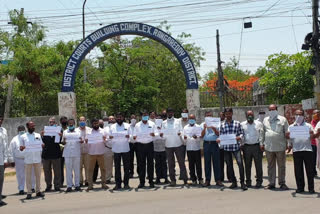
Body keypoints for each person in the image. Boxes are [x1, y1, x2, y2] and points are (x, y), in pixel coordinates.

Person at [262, 104, 289, 190]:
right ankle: (271, 183)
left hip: (280, 146)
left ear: (276, 110)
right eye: (270, 110)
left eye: (273, 109)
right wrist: (261, 143)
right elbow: (262, 132)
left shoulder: (283, 119)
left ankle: (282, 183)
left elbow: (287, 132)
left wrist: (289, 144)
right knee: (270, 166)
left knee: (281, 166)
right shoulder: (265, 120)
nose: (271, 111)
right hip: (269, 147)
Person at [219, 108, 247, 190]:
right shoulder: (222, 125)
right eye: (226, 114)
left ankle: (242, 182)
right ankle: (234, 182)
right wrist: (219, 140)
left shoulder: (237, 123)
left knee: (240, 164)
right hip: (226, 148)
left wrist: (239, 137)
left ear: (232, 113)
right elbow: (220, 136)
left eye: (229, 113)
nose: (228, 115)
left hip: (236, 147)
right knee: (229, 166)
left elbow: (242, 133)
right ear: (225, 115)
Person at [288, 109, 315, 193]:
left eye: (300, 115)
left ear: (303, 116)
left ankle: (311, 188)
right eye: (297, 115)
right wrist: (289, 145)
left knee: (309, 170)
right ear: (294, 116)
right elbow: (289, 138)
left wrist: (311, 133)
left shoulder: (308, 125)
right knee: (298, 170)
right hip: (296, 150)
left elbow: (313, 137)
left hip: (307, 150)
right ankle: (300, 187)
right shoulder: (291, 127)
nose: (298, 116)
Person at [162, 108, 188, 186]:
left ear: (173, 113)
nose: (170, 113)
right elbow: (162, 133)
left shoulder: (178, 121)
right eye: (169, 112)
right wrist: (162, 135)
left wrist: (181, 134)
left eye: (171, 112)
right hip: (168, 145)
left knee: (181, 163)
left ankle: (185, 179)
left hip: (178, 144)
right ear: (166, 113)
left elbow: (181, 130)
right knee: (170, 164)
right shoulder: (163, 123)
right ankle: (173, 180)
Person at [20, 121, 45, 199]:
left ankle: (38, 191)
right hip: (28, 159)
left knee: (38, 176)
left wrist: (42, 145)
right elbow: (21, 148)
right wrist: (23, 147)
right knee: (28, 176)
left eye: (34, 126)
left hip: (37, 158)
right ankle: (29, 192)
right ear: (27, 127)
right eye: (31, 126)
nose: (33, 127)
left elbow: (41, 144)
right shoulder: (23, 136)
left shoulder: (38, 135)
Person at [9, 125, 35, 195]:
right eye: (20, 130)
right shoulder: (14, 139)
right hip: (18, 159)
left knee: (31, 174)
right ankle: (21, 189)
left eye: (23, 129)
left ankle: (32, 187)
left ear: (25, 130)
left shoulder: (29, 137)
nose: (21, 131)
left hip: (29, 158)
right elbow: (11, 150)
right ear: (18, 131)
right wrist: (12, 160)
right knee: (20, 175)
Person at [133, 110, 156, 188]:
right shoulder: (137, 125)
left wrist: (154, 134)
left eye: (146, 115)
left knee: (150, 164)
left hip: (149, 145)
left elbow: (156, 133)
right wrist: (134, 137)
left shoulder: (152, 124)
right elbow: (134, 135)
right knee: (141, 164)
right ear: (141, 116)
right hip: (140, 146)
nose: (145, 116)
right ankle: (141, 182)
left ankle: (151, 181)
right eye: (143, 115)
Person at [241, 110, 264, 188]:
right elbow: (241, 136)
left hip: (257, 147)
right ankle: (248, 181)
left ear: (254, 115)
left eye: (251, 114)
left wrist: (261, 144)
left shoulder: (259, 124)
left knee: (258, 165)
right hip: (246, 147)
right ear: (246, 116)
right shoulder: (242, 124)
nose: (250, 116)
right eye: (248, 115)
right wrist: (241, 145)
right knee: (247, 165)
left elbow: (261, 135)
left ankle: (259, 181)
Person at [108, 112, 131, 190]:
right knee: (117, 168)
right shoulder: (112, 127)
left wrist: (129, 137)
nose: (119, 118)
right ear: (115, 118)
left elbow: (132, 137)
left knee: (126, 168)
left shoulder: (128, 126)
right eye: (117, 117)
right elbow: (108, 138)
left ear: (123, 117)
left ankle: (126, 184)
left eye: (120, 117)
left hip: (125, 149)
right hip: (116, 149)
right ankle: (118, 184)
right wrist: (110, 138)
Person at [200, 111, 223, 187]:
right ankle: (207, 180)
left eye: (210, 116)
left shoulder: (217, 123)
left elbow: (218, 134)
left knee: (216, 162)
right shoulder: (202, 124)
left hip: (214, 144)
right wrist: (204, 128)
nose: (209, 117)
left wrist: (213, 128)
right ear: (205, 117)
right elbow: (201, 136)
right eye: (207, 116)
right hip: (206, 144)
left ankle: (218, 180)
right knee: (207, 162)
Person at [86, 118, 108, 191]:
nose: (96, 124)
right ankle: (90, 185)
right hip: (91, 153)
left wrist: (105, 139)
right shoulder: (88, 132)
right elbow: (86, 142)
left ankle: (104, 183)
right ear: (92, 124)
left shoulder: (103, 131)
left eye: (97, 123)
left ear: (99, 123)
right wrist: (86, 141)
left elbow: (106, 141)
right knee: (90, 169)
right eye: (94, 123)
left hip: (101, 152)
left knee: (103, 169)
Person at [41, 117, 62, 192]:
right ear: (48, 123)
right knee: (47, 172)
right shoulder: (45, 131)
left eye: (53, 122)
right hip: (46, 154)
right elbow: (41, 143)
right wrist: (42, 135)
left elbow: (61, 142)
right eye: (50, 122)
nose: (51, 123)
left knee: (57, 171)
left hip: (56, 154)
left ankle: (57, 185)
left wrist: (60, 136)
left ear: (55, 123)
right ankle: (48, 185)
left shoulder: (59, 131)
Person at [62, 119, 82, 192]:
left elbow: (81, 141)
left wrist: (81, 141)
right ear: (68, 124)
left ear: (74, 123)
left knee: (77, 170)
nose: (71, 124)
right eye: (69, 123)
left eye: (72, 123)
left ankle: (77, 185)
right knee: (68, 170)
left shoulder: (78, 132)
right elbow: (63, 143)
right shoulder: (65, 132)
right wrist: (64, 141)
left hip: (76, 152)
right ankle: (69, 186)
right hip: (67, 153)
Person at [183, 114, 203, 185]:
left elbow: (200, 137)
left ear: (195, 119)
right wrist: (184, 138)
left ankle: (200, 179)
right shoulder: (185, 127)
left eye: (193, 118)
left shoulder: (198, 127)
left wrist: (196, 137)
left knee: (198, 165)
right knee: (191, 165)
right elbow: (184, 139)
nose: (191, 120)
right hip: (189, 148)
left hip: (196, 148)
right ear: (188, 119)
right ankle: (193, 179)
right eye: (190, 118)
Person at [0, 116, 12, 206]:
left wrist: (6, 159)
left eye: (1, 119)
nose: (0, 121)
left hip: (1, 159)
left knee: (1, 179)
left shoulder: (3, 130)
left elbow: (5, 145)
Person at [153, 114, 169, 184]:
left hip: (164, 148)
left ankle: (165, 178)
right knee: (157, 164)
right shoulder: (153, 127)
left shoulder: (165, 127)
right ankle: (158, 178)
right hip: (155, 149)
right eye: (157, 119)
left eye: (160, 119)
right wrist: (157, 135)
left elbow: (167, 136)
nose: (158, 120)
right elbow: (151, 136)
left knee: (164, 164)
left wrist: (162, 136)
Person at [78, 116, 90, 187]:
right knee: (79, 167)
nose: (82, 122)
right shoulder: (76, 130)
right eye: (81, 120)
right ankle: (80, 181)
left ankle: (87, 180)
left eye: (83, 120)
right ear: (79, 122)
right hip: (78, 151)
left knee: (87, 167)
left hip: (87, 150)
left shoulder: (89, 130)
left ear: (85, 121)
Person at [59, 116, 68, 186]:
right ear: (60, 122)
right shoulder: (58, 129)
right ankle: (60, 182)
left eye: (65, 120)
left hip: (69, 150)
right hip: (60, 151)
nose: (64, 122)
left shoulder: (70, 129)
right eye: (63, 121)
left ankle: (70, 182)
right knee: (60, 167)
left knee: (69, 166)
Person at [310, 109, 319, 177]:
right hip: (313, 143)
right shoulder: (311, 123)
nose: (316, 115)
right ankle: (313, 172)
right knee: (313, 159)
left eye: (318, 113)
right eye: (315, 113)